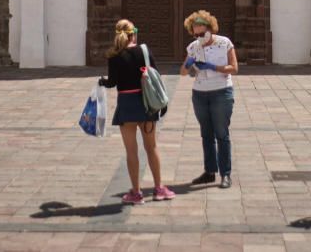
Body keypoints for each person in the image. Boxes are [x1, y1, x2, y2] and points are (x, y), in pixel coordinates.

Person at [98, 19, 175, 204]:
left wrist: (102, 81)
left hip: (126, 105)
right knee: (151, 148)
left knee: (131, 151)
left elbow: (113, 83)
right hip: (146, 104)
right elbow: (155, 74)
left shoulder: (114, 55)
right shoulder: (144, 51)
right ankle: (158, 189)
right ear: (134, 33)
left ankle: (136, 193)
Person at [180, 10, 238, 188]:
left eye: (202, 33)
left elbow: (234, 68)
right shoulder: (193, 47)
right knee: (206, 134)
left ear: (210, 29)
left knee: (221, 133)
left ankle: (225, 174)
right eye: (195, 34)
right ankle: (209, 171)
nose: (199, 37)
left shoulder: (224, 43)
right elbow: (183, 72)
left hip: (221, 92)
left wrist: (214, 67)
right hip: (200, 93)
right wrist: (189, 65)